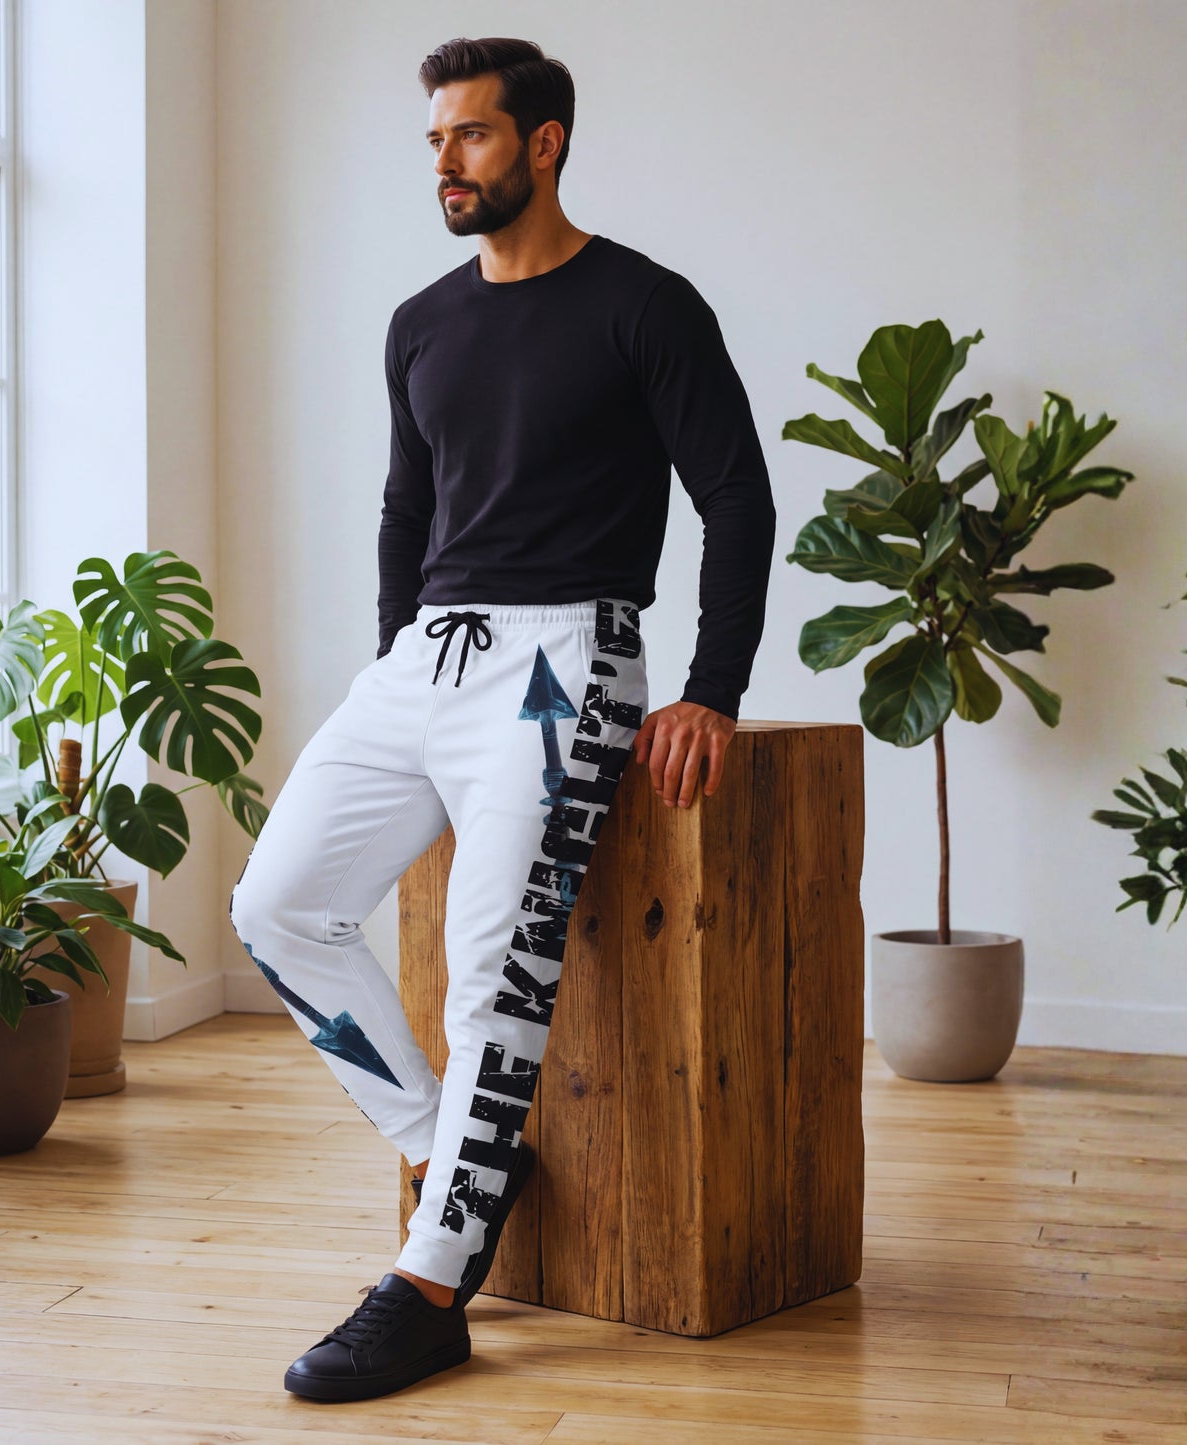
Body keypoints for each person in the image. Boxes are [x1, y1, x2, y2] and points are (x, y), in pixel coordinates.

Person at [228, 35, 776, 1403]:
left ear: (543, 144)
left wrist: (711, 685)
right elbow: (405, 510)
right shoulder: (421, 319)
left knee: (494, 982)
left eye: (469, 137)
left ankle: (427, 1286)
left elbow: (738, 501)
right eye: (432, 141)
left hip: (569, 659)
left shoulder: (644, 306)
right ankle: (450, 1141)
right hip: (428, 655)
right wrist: (394, 676)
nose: (443, 163)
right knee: (275, 905)